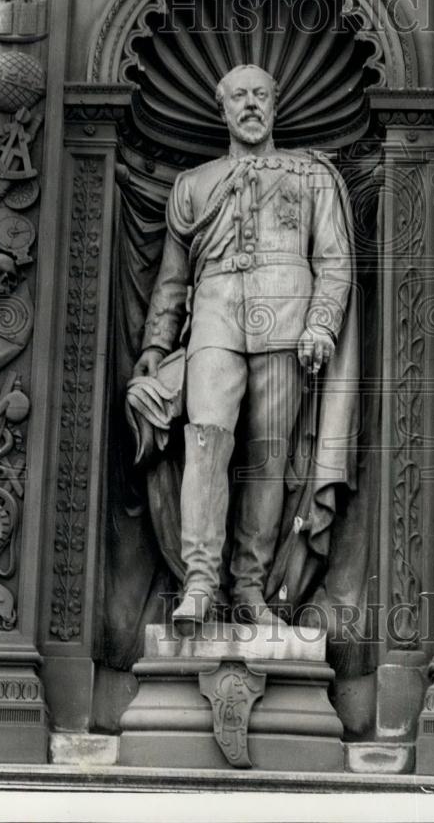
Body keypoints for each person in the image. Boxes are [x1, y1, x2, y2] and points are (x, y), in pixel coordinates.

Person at [133, 64, 353, 629]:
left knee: (267, 462)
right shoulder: (192, 185)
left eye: (260, 94)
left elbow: (333, 261)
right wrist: (157, 346)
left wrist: (322, 325)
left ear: (275, 104)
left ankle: (251, 590)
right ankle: (201, 584)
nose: (250, 104)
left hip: (287, 322)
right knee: (206, 442)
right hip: (213, 319)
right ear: (222, 108)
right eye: (239, 96)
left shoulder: (312, 177)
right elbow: (172, 278)